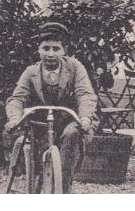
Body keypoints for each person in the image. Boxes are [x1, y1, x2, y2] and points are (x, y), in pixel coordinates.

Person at [5, 22, 97, 192]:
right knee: (35, 155)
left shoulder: (75, 68)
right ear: (39, 50)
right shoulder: (31, 72)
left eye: (56, 49)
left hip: (72, 120)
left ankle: (63, 189)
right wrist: (14, 118)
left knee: (72, 135)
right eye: (46, 48)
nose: (50, 54)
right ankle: (33, 182)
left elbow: (85, 94)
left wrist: (84, 117)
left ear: (64, 51)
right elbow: (17, 98)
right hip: (41, 123)